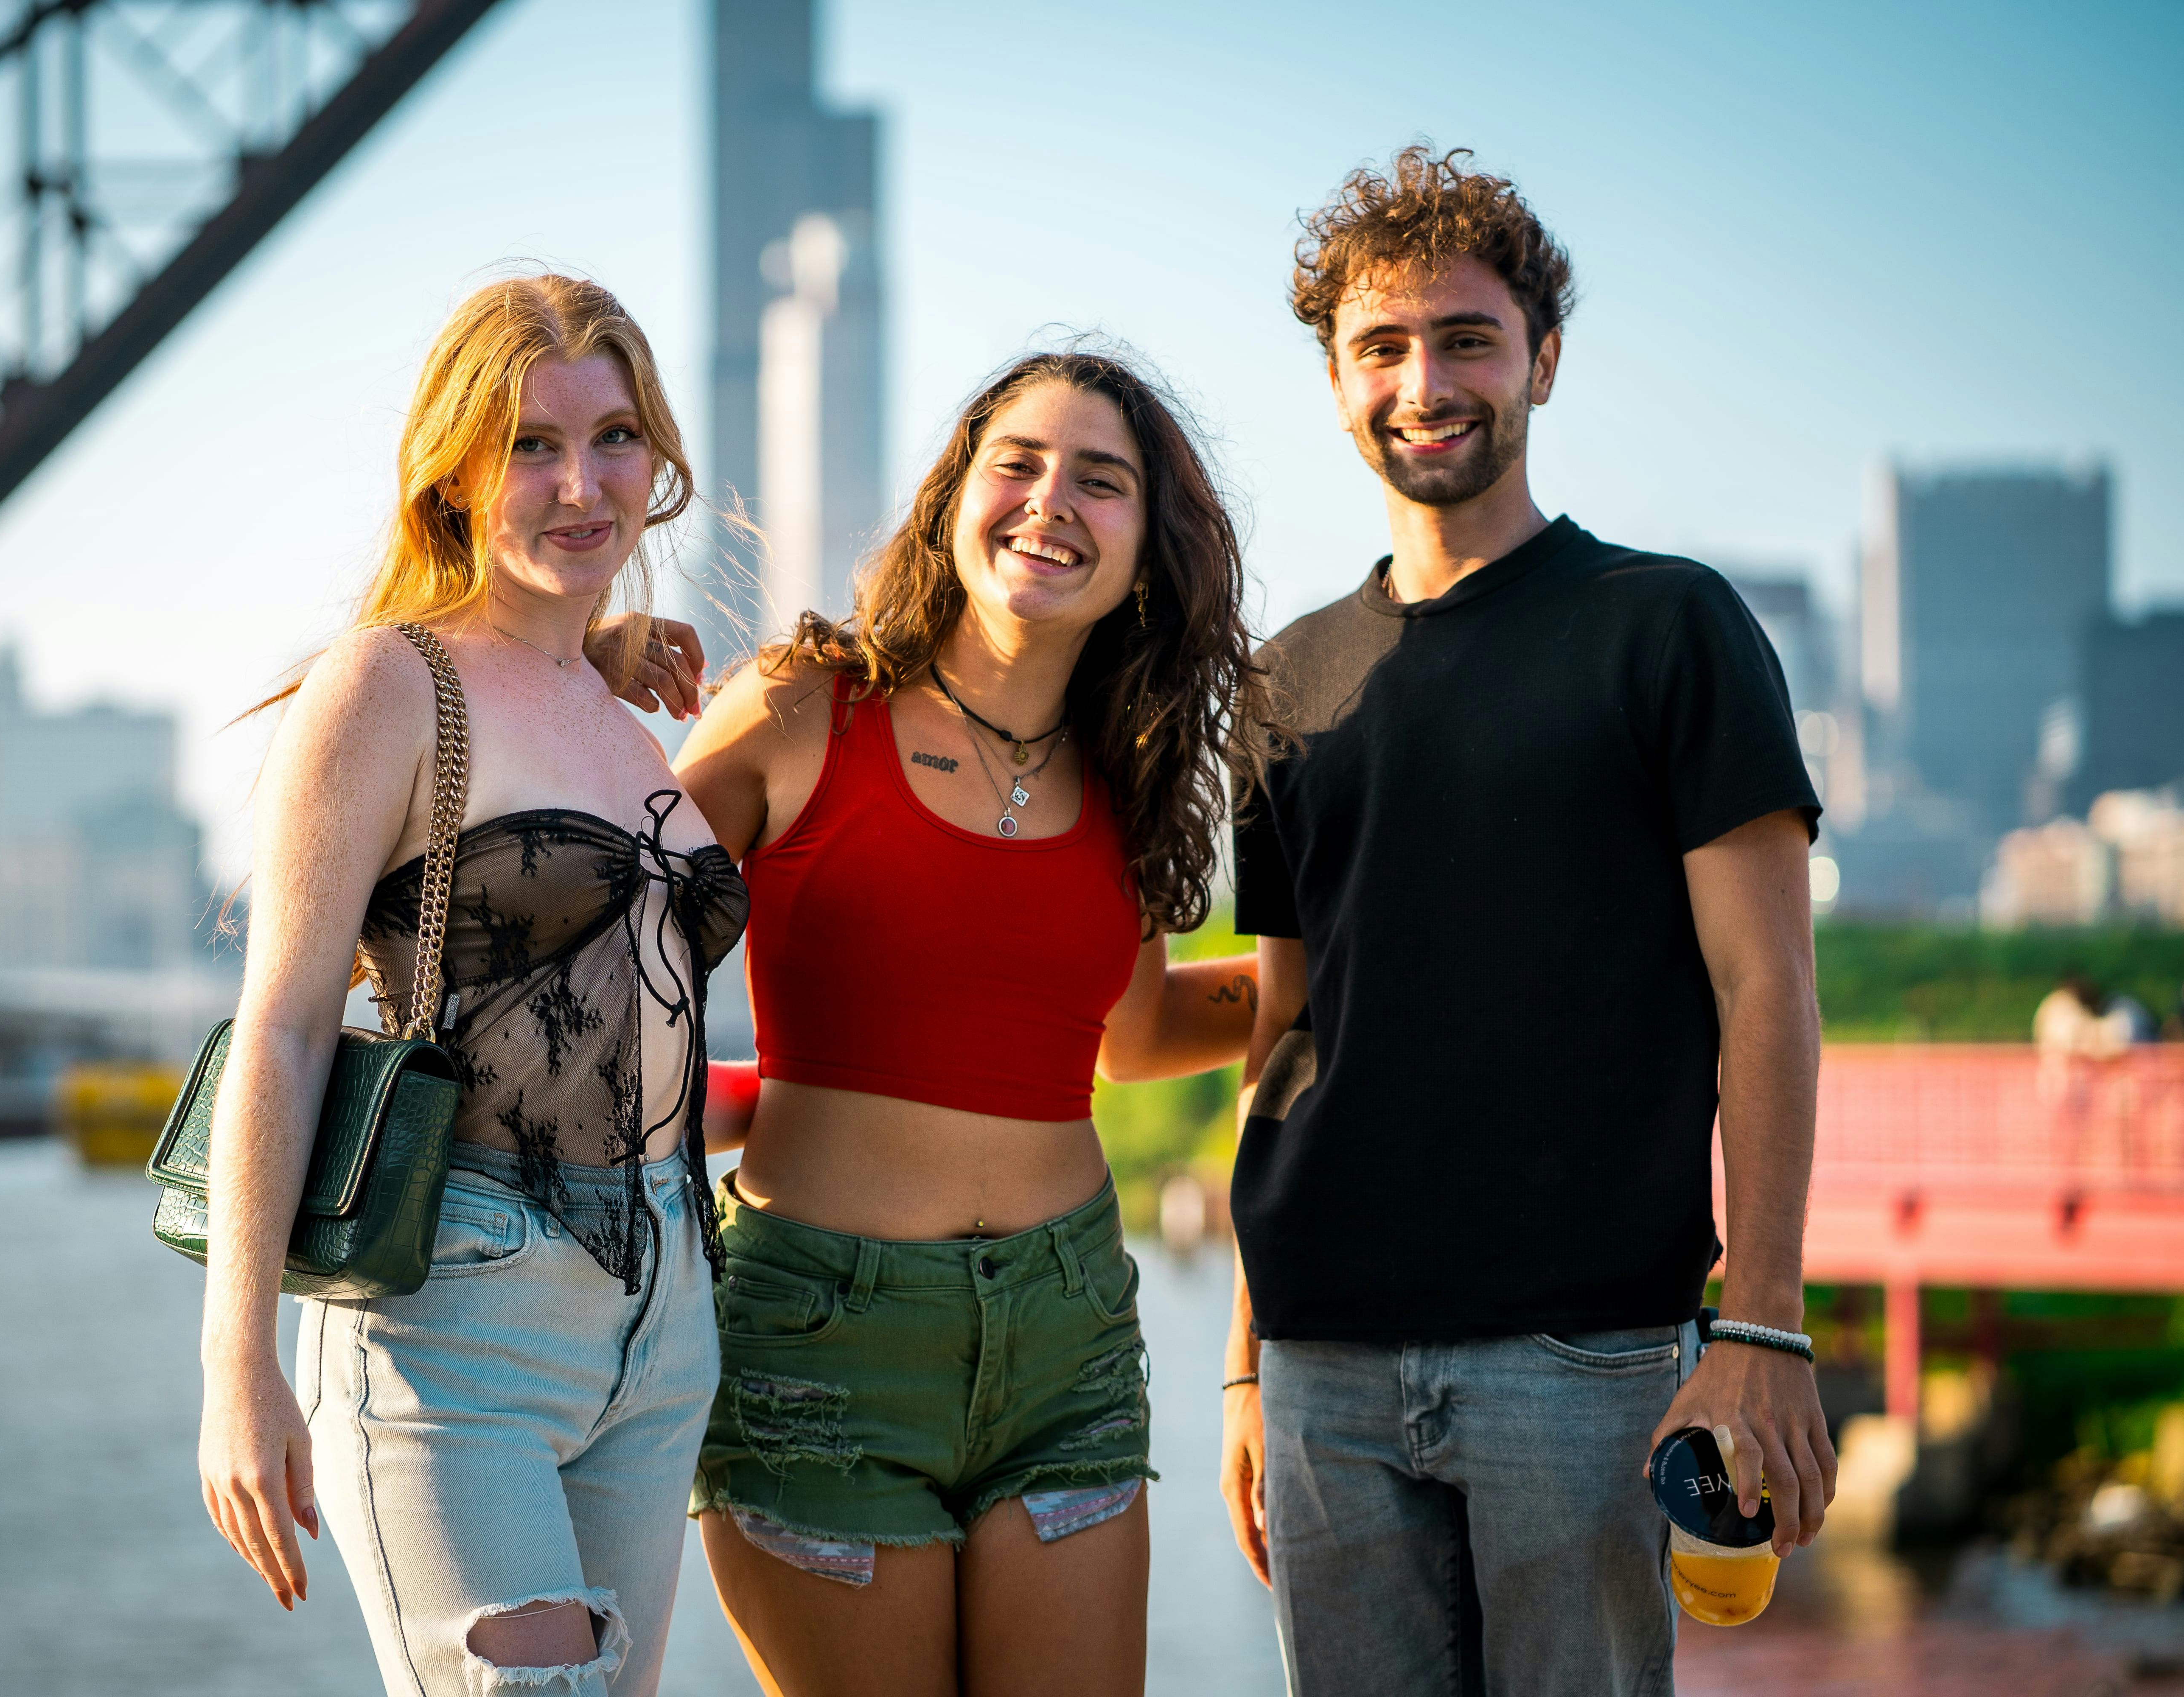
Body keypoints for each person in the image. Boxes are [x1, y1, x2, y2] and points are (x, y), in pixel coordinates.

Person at [1219, 148, 1836, 1694]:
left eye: (1466, 339)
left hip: (1587, 1366)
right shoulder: (1283, 682)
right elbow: (1283, 1032)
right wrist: (1245, 1354)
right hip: (1322, 1369)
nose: (1423, 383)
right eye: (1380, 348)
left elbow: (1767, 987)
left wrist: (1761, 1331)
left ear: (1541, 360)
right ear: (1337, 383)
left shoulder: (1667, 623)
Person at [674, 349, 1272, 1696]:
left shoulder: (1125, 781)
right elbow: (600, 947)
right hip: (823, 1341)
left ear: (1144, 551)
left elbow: (1131, 1035)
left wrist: (1312, 979)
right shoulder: (802, 704)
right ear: (957, 493)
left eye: (1101, 482)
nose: (1050, 500)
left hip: (1069, 1337)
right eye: (1019, 462)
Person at [193, 273, 746, 1697]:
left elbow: (620, 1015)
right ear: (454, 473)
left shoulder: (625, 713)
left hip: (668, 1304)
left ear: (659, 456)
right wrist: (236, 1367)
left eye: (614, 438)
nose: (582, 483)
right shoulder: (391, 685)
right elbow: (287, 1025)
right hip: (459, 1314)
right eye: (531, 446)